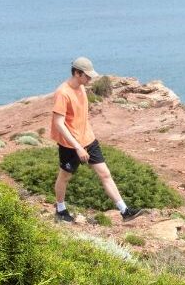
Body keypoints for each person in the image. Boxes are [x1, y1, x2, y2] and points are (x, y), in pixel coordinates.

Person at [50, 57, 142, 223]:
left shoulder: (82, 89)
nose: (90, 79)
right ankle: (61, 209)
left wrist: (88, 136)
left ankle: (124, 211)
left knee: (105, 174)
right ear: (77, 73)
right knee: (64, 177)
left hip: (88, 140)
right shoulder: (63, 93)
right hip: (70, 145)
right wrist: (77, 147)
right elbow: (59, 124)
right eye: (87, 76)